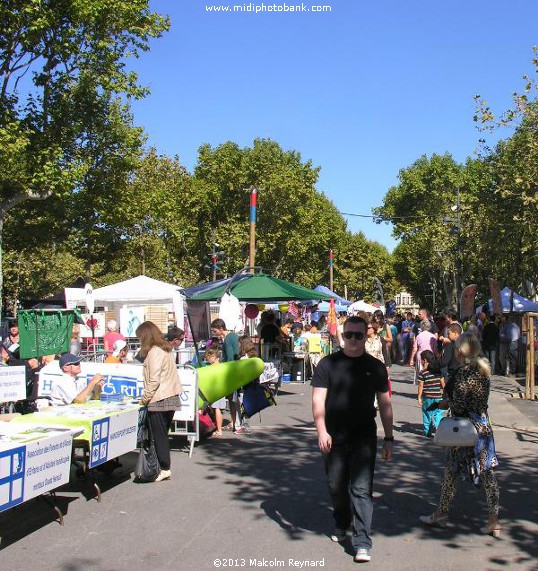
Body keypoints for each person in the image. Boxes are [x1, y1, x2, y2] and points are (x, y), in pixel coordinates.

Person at [312, 316, 394, 563]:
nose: (354, 340)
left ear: (366, 335)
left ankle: (362, 542)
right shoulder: (328, 364)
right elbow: (318, 400)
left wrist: (389, 438)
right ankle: (341, 521)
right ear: (343, 335)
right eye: (350, 335)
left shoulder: (376, 366)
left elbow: (385, 404)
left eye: (359, 335)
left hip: (363, 438)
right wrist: (321, 431)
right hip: (334, 437)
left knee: (361, 490)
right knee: (337, 487)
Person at [420, 333, 501, 537]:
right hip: (481, 426)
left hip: (461, 429)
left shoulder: (460, 374)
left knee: (451, 472)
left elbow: (454, 402)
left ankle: (441, 513)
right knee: (487, 473)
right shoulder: (483, 371)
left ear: (460, 351)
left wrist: (444, 403)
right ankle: (494, 519)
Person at [136, 321, 182, 482]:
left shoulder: (155, 352)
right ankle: (163, 466)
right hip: (170, 395)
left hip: (159, 398)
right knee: (162, 434)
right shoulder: (165, 349)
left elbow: (154, 380)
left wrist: (144, 399)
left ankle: (164, 467)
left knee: (159, 435)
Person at [210, 319, 243, 433]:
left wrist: (221, 365)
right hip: (237, 370)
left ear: (221, 328)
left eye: (215, 331)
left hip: (231, 373)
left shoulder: (228, 339)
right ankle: (235, 423)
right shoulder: (233, 335)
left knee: (233, 400)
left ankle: (236, 423)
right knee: (234, 400)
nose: (214, 333)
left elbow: (229, 358)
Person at [417, 350, 445, 437]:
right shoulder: (438, 372)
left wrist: (419, 397)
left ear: (424, 360)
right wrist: (445, 394)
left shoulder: (423, 373)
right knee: (438, 413)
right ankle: (438, 427)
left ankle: (427, 431)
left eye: (421, 360)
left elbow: (421, 386)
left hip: (427, 397)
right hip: (438, 396)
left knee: (427, 413)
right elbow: (443, 384)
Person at [204, 346, 226, 437]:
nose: (207, 360)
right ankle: (218, 428)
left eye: (208, 358)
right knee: (218, 410)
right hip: (220, 390)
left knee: (216, 409)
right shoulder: (220, 365)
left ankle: (219, 429)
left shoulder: (214, 367)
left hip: (216, 390)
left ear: (212, 357)